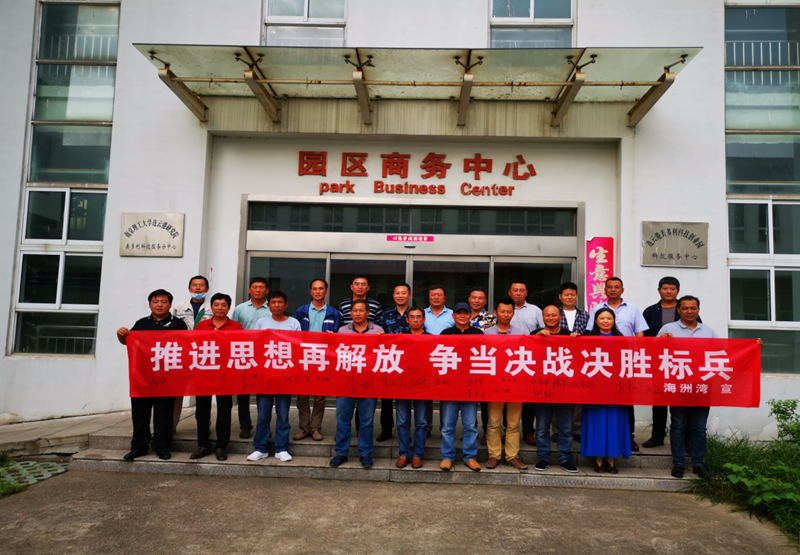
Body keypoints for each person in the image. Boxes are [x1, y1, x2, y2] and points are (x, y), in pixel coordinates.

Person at [116, 289, 188, 461]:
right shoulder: (141, 324)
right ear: (150, 305)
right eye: (155, 302)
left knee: (164, 414)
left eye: (163, 302)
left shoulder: (178, 324)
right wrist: (121, 335)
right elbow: (128, 342)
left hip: (167, 377)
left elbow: (185, 347)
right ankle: (139, 446)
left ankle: (162, 447)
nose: (159, 305)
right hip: (143, 377)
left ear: (170, 305)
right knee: (140, 413)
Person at [586, 277, 648, 452]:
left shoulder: (632, 308)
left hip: (624, 363)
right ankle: (599, 437)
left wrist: (637, 356)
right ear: (605, 290)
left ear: (622, 290)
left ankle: (628, 437)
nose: (613, 289)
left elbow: (639, 333)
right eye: (610, 287)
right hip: (599, 364)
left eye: (617, 287)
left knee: (626, 401)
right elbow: (590, 333)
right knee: (599, 401)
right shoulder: (597, 308)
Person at [657, 295, 716, 480]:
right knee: (678, 426)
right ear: (678, 310)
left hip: (701, 387)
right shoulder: (668, 329)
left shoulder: (708, 331)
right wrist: (661, 341)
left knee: (699, 428)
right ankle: (679, 463)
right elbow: (653, 353)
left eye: (693, 308)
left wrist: (753, 346)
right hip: (678, 387)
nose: (689, 311)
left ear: (698, 310)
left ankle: (698, 464)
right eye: (685, 308)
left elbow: (722, 353)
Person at [642, 276, 699, 449]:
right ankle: (657, 436)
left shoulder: (686, 309)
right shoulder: (650, 311)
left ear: (677, 291)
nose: (668, 291)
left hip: (682, 363)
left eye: (672, 289)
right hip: (659, 362)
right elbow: (645, 338)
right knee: (659, 400)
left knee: (683, 401)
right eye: (665, 288)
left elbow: (699, 336)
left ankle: (687, 439)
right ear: (659, 290)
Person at [330, 300, 384, 469]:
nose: (358, 313)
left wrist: (384, 341)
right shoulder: (342, 330)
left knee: (366, 421)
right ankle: (341, 452)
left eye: (361, 310)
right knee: (343, 419)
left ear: (368, 313)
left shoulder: (378, 331)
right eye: (355, 310)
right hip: (346, 382)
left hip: (368, 382)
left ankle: (365, 453)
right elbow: (334, 353)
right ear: (350, 313)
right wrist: (329, 339)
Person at [247, 291, 299, 463]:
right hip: (265, 375)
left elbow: (298, 347)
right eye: (274, 302)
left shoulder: (294, 323)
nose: (277, 305)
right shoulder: (261, 322)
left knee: (283, 414)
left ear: (286, 305)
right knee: (263, 414)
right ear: (268, 305)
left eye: (280, 302)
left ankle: (281, 448)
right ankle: (260, 448)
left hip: (285, 375)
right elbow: (254, 345)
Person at [581, 308, 632, 473]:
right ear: (596, 321)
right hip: (594, 388)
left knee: (614, 422)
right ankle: (598, 459)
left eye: (609, 318)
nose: (605, 321)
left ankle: (611, 459)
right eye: (602, 318)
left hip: (616, 388)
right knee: (597, 422)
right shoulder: (588, 339)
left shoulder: (621, 339)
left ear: (614, 320)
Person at [191, 292, 241, 461]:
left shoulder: (236, 326)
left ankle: (221, 446)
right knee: (202, 411)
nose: (220, 308)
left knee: (224, 411)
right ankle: (203, 445)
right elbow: (193, 347)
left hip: (226, 375)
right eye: (216, 305)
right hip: (204, 373)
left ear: (229, 307)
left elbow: (239, 349)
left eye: (224, 305)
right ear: (211, 307)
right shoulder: (202, 326)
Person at [482, 298, 527, 470]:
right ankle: (494, 455)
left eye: (509, 312)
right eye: (502, 311)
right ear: (495, 313)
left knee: (514, 423)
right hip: (494, 384)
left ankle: (512, 456)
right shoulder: (486, 333)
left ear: (513, 314)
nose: (506, 315)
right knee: (493, 421)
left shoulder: (521, 333)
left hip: (515, 383)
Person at [293, 278, 339, 442]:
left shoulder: (334, 312)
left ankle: (315, 428)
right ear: (310, 291)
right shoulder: (301, 311)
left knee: (319, 397)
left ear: (326, 291)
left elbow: (337, 336)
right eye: (315, 289)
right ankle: (304, 428)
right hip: (304, 357)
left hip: (323, 358)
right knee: (302, 396)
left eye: (321, 288)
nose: (318, 291)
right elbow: (295, 334)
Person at [533, 305, 578, 473]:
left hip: (564, 390)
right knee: (542, 428)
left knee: (566, 428)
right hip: (542, 389)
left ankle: (565, 458)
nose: (550, 318)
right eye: (547, 315)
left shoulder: (569, 335)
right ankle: (543, 458)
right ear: (542, 317)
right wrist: (536, 337)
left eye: (554, 315)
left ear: (560, 317)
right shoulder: (535, 334)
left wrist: (579, 340)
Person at [439, 302, 483, 471]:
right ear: (453, 316)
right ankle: (447, 456)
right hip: (450, 385)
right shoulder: (445, 333)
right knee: (447, 425)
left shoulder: (478, 334)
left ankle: (470, 456)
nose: (462, 316)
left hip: (470, 385)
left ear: (471, 315)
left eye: (465, 313)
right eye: (459, 313)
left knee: (470, 424)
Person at [171, 275, 213, 434]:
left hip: (204, 355)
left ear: (207, 289)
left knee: (203, 393)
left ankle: (204, 427)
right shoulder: (179, 307)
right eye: (194, 285)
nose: (198, 288)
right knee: (176, 392)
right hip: (183, 354)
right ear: (189, 288)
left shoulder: (212, 307)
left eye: (201, 285)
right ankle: (171, 426)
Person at [231, 277, 270, 439]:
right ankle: (245, 425)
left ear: (267, 291)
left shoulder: (272, 309)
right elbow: (232, 331)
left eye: (261, 287)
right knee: (243, 392)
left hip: (265, 355)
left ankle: (264, 425)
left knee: (264, 392)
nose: (258, 290)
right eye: (255, 287)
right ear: (249, 290)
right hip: (244, 354)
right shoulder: (240, 309)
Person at [553, 281, 589, 443]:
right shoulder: (554, 313)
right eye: (566, 294)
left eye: (572, 295)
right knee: (557, 394)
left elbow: (590, 336)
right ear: (560, 296)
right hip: (558, 359)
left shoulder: (585, 315)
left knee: (578, 395)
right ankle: (556, 429)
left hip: (579, 360)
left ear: (576, 296)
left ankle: (576, 429)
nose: (569, 297)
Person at [376, 283, 413, 442]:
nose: (400, 296)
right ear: (393, 296)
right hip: (390, 359)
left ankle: (405, 431)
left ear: (409, 296)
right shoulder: (386, 313)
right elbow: (380, 333)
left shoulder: (415, 313)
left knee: (405, 398)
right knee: (386, 397)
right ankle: (386, 429)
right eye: (397, 293)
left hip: (409, 360)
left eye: (403, 293)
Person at [395, 306, 430, 469]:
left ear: (424, 319)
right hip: (402, 385)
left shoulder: (431, 339)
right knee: (402, 421)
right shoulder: (400, 338)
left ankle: (417, 455)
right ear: (407, 320)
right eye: (412, 317)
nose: (416, 319)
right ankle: (404, 453)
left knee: (421, 422)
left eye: (418, 317)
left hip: (423, 385)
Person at [423, 284, 454, 436]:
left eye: (439, 294)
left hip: (446, 359)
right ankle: (426, 428)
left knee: (445, 395)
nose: (436, 297)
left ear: (444, 297)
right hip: (425, 360)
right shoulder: (421, 314)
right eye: (433, 295)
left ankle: (445, 428)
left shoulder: (453, 314)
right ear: (429, 297)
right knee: (426, 396)